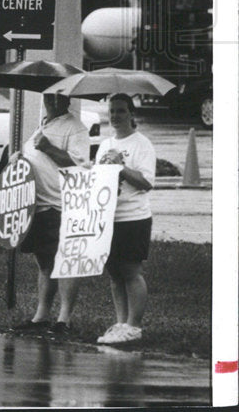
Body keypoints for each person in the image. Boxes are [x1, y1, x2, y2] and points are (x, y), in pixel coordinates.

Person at [13, 91, 90, 340]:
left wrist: (49, 148)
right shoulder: (42, 124)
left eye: (59, 97)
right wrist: (19, 158)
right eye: (49, 97)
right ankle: (41, 316)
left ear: (68, 100)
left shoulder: (75, 128)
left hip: (61, 202)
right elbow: (33, 155)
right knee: (45, 263)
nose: (54, 101)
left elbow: (79, 167)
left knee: (65, 263)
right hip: (38, 202)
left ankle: (63, 319)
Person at [95, 93, 156, 345]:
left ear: (132, 114)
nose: (115, 116)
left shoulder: (141, 144)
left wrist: (121, 166)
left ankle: (134, 325)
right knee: (114, 273)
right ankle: (120, 323)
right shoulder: (104, 144)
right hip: (109, 215)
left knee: (131, 270)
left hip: (133, 216)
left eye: (120, 111)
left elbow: (146, 182)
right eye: (111, 112)